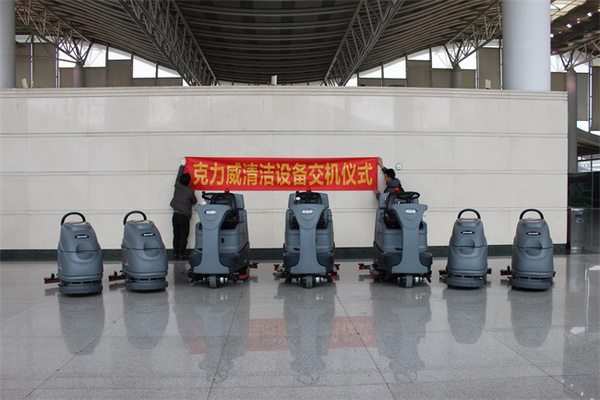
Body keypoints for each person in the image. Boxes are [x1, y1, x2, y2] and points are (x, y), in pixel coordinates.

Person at [170, 159, 197, 259]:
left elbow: (178, 176)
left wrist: (182, 166)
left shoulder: (177, 186)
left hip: (175, 214)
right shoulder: (190, 191)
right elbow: (194, 201)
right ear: (189, 182)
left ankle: (175, 253)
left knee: (176, 235)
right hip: (184, 216)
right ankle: (181, 254)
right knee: (183, 236)